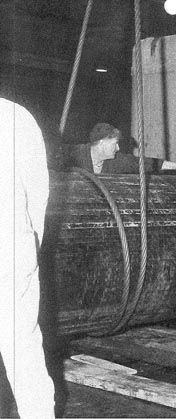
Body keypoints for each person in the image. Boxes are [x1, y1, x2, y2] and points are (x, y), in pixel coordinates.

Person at [0, 98, 56, 417]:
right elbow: (39, 193)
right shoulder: (15, 116)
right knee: (23, 351)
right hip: (11, 245)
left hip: (12, 246)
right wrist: (29, 242)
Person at [65, 122, 176, 174]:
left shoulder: (116, 161)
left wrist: (175, 165)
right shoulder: (74, 153)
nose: (118, 148)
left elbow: (144, 163)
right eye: (115, 143)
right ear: (102, 142)